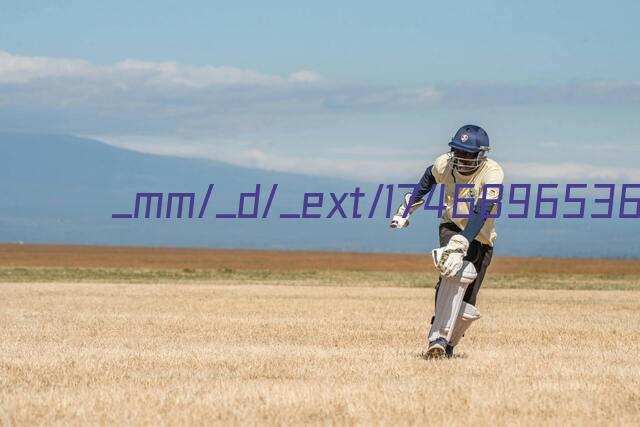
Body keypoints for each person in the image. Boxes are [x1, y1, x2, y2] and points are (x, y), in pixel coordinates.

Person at [390, 124, 504, 358]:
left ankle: (447, 345)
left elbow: (483, 210)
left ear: (480, 155)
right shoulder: (444, 163)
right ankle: (438, 337)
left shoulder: (493, 173)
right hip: (451, 226)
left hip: (480, 236)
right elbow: (427, 180)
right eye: (458, 152)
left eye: (467, 154)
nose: (461, 158)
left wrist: (464, 240)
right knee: (454, 273)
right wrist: (407, 208)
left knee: (467, 303)